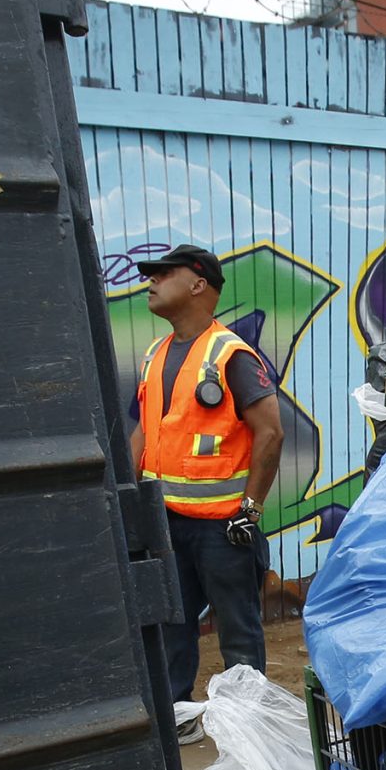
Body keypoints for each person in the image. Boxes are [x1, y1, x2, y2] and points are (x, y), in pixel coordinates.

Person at [127, 245, 286, 736]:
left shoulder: (231, 355)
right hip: (166, 524)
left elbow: (271, 432)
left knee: (237, 629)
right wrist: (130, 496)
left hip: (223, 527)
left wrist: (251, 510)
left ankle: (249, 725)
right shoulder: (156, 354)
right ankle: (181, 718)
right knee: (173, 624)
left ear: (198, 284)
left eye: (162, 273)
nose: (150, 282)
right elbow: (144, 430)